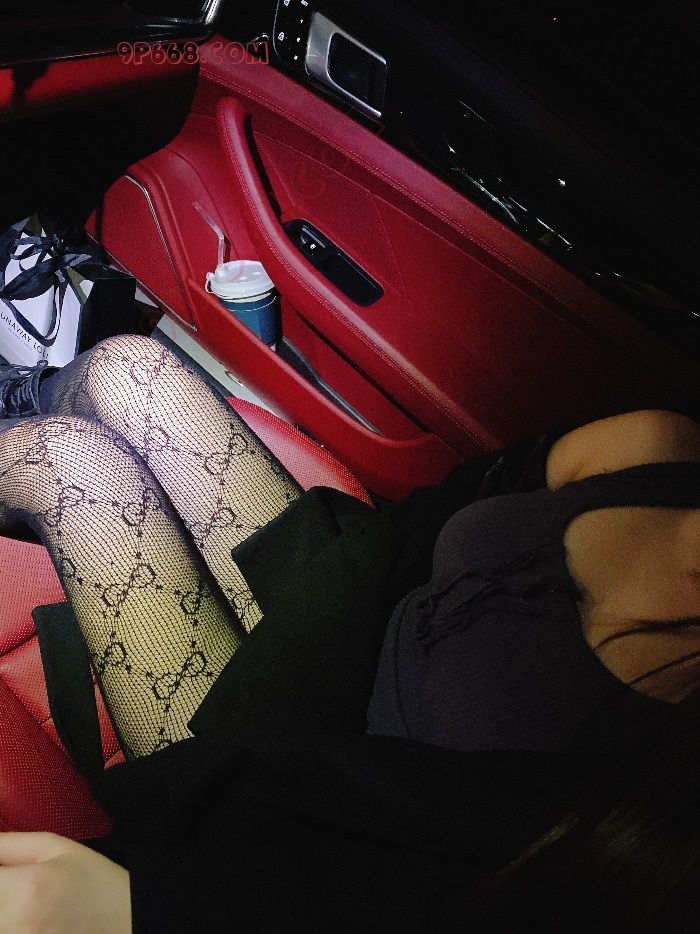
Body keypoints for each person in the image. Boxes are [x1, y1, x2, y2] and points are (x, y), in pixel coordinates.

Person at [0, 334, 697, 933]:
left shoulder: (665, 812)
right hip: (344, 608)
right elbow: (456, 501)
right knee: (130, 366)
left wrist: (153, 904)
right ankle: (25, 399)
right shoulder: (663, 452)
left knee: (64, 462)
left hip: (285, 788)